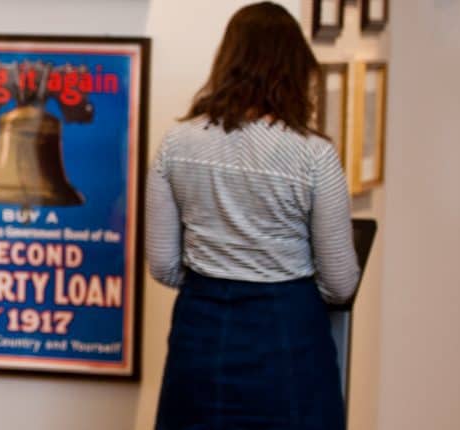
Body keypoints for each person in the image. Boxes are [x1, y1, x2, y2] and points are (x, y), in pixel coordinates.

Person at [147, 3, 360, 429]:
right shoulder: (313, 155)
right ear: (296, 68)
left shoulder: (177, 144)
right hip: (288, 337)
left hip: (201, 333)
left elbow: (163, 265)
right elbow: (340, 283)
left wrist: (217, 276)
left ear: (227, 61)